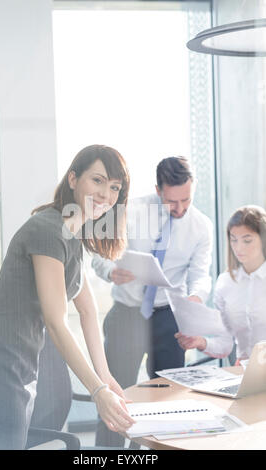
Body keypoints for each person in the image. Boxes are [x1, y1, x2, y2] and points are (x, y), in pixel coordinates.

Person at [0, 144, 135, 450]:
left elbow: (87, 310)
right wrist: (97, 391)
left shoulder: (72, 235)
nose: (105, 195)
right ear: (73, 179)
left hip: (20, 366)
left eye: (114, 187)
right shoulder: (48, 230)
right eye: (97, 181)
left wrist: (106, 375)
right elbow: (56, 322)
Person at [92, 156, 213, 446]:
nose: (181, 208)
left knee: (166, 398)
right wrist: (111, 271)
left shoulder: (200, 226)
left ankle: (144, 451)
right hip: (126, 314)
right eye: (173, 201)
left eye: (187, 199)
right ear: (158, 190)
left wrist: (195, 297)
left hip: (167, 317)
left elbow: (200, 274)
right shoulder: (129, 211)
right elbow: (97, 253)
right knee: (115, 395)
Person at [176, 205, 266, 364]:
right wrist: (201, 342)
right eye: (234, 240)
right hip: (244, 373)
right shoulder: (226, 283)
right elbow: (226, 343)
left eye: (247, 240)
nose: (239, 248)